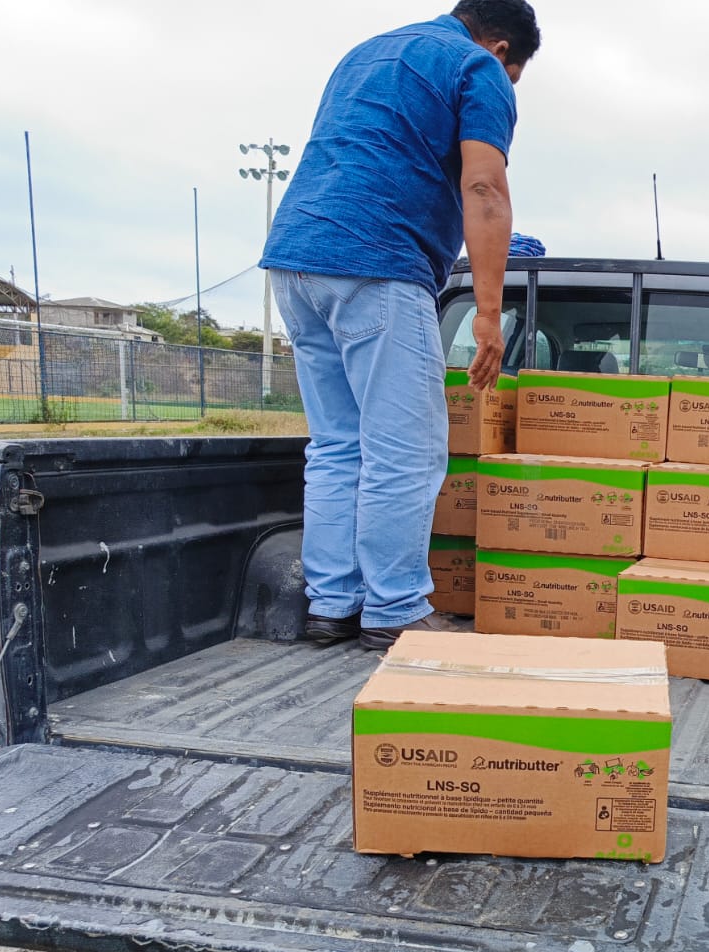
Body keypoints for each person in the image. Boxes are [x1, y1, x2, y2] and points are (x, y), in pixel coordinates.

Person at [260, 1, 540, 650]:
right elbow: (484, 188)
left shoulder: (366, 53)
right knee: (405, 450)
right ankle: (393, 609)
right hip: (376, 262)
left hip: (295, 260)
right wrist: (489, 316)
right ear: (502, 49)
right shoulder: (478, 67)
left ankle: (332, 606)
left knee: (338, 446)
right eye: (515, 76)